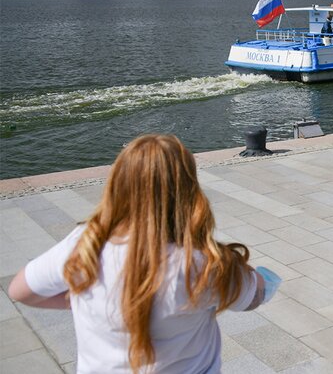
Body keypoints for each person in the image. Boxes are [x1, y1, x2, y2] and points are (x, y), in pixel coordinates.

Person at [8, 134, 267, 373]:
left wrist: (87, 299)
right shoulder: (203, 261)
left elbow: (20, 291)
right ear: (189, 189)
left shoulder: (86, 241)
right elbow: (253, 297)